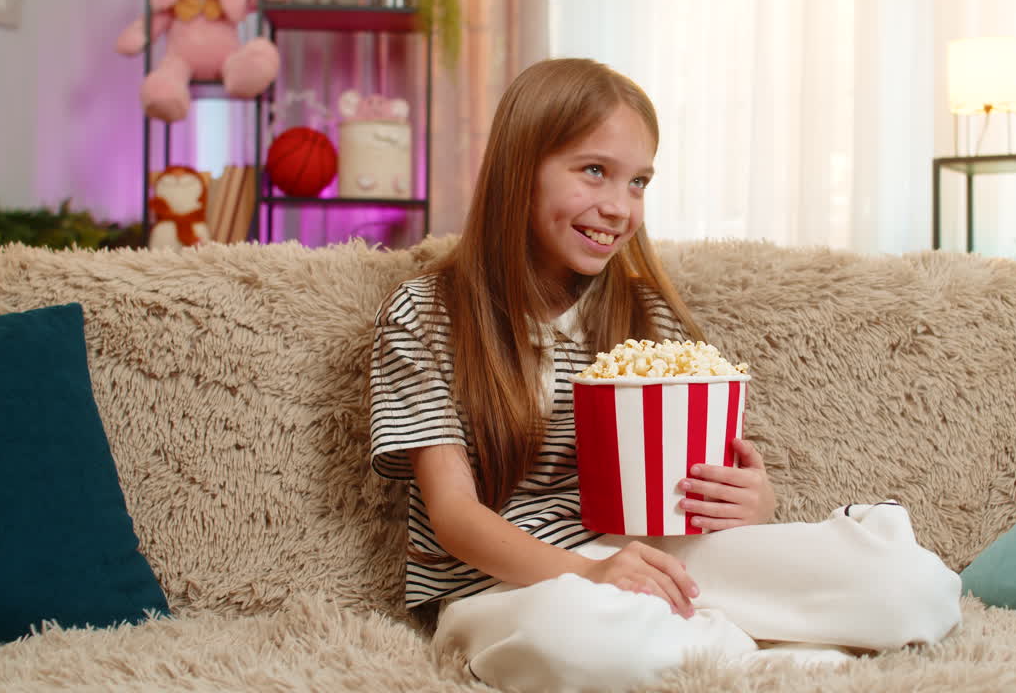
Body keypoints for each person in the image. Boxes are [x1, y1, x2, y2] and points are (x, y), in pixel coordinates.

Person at [369, 57, 961, 692]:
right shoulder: (427, 316)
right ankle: (757, 653)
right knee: (577, 641)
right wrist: (592, 574)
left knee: (913, 588)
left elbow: (686, 489)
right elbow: (455, 516)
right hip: (512, 585)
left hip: (655, 555)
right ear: (521, 168)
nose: (620, 207)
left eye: (639, 183)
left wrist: (750, 502)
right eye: (595, 171)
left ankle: (707, 639)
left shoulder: (645, 315)